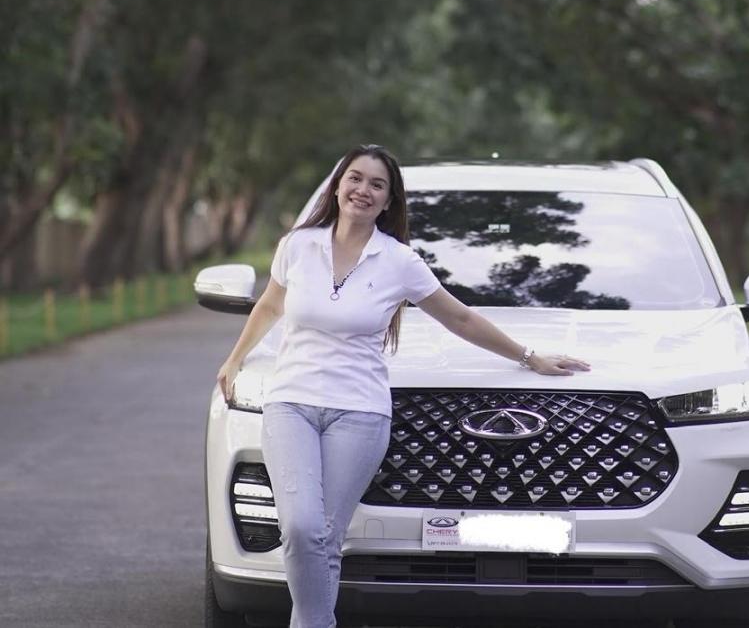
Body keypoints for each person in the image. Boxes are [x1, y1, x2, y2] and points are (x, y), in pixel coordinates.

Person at [215, 144, 590, 628]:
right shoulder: (298, 245)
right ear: (338, 185)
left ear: (389, 201)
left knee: (325, 535)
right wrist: (235, 358)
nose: (363, 190)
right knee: (302, 528)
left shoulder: (399, 261)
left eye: (377, 184)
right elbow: (270, 305)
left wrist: (529, 356)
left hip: (359, 413)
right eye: (355, 178)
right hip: (291, 404)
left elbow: (459, 318)